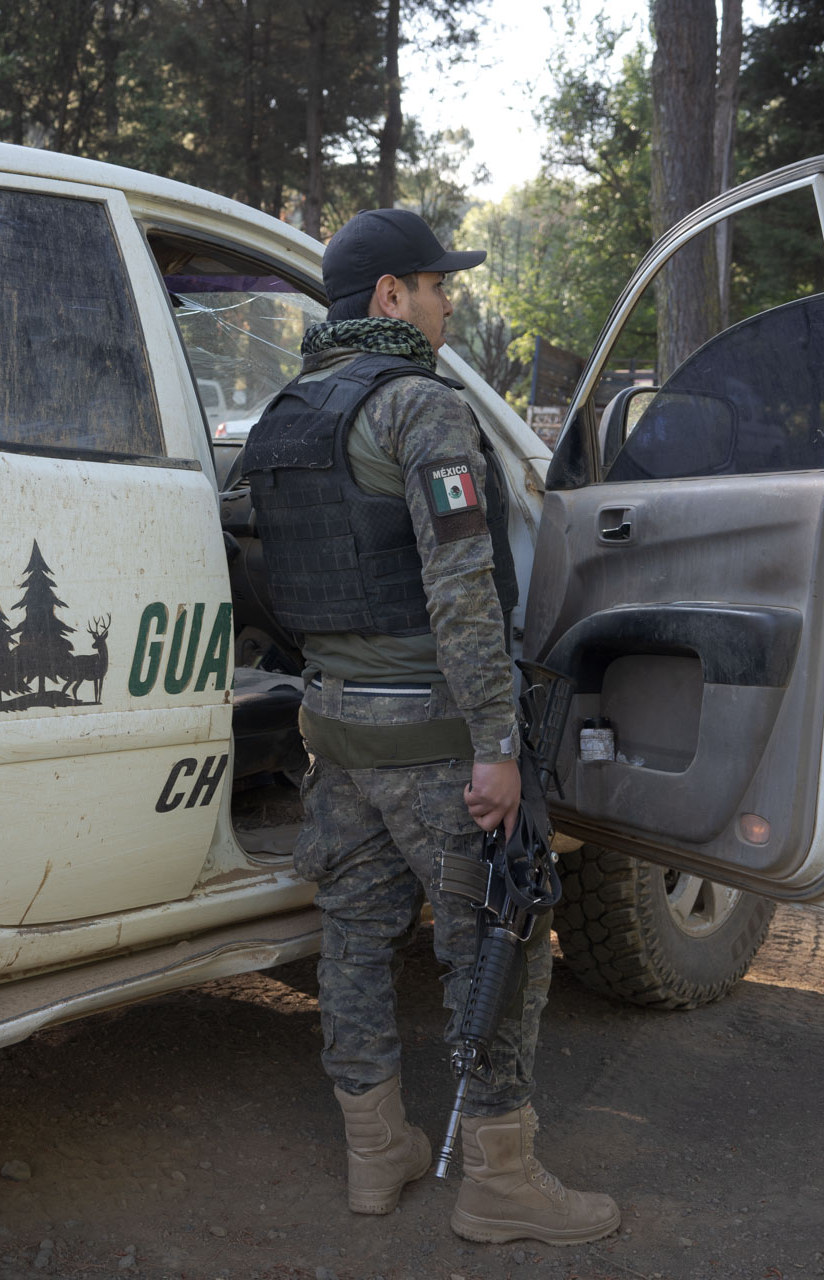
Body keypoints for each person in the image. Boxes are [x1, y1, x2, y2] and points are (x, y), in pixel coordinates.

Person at [237, 208, 619, 1245]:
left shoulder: (285, 417)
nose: (451, 297)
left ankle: (376, 1155)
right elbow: (460, 590)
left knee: (355, 939)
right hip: (429, 737)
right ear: (389, 297)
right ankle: (500, 1178)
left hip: (334, 732)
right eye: (436, 281)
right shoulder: (420, 408)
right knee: (498, 941)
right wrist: (496, 746)